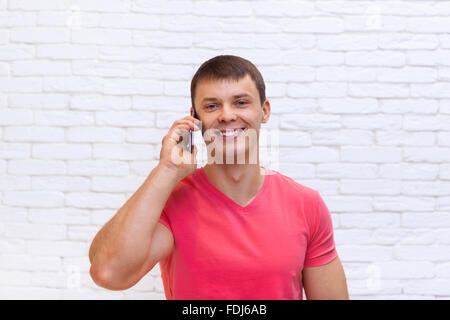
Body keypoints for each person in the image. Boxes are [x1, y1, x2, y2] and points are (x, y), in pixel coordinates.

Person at [89, 55, 349, 300]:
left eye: (241, 102)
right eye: (212, 106)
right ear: (196, 118)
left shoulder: (306, 204)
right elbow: (109, 273)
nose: (226, 115)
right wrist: (167, 170)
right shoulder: (171, 201)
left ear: (265, 111)